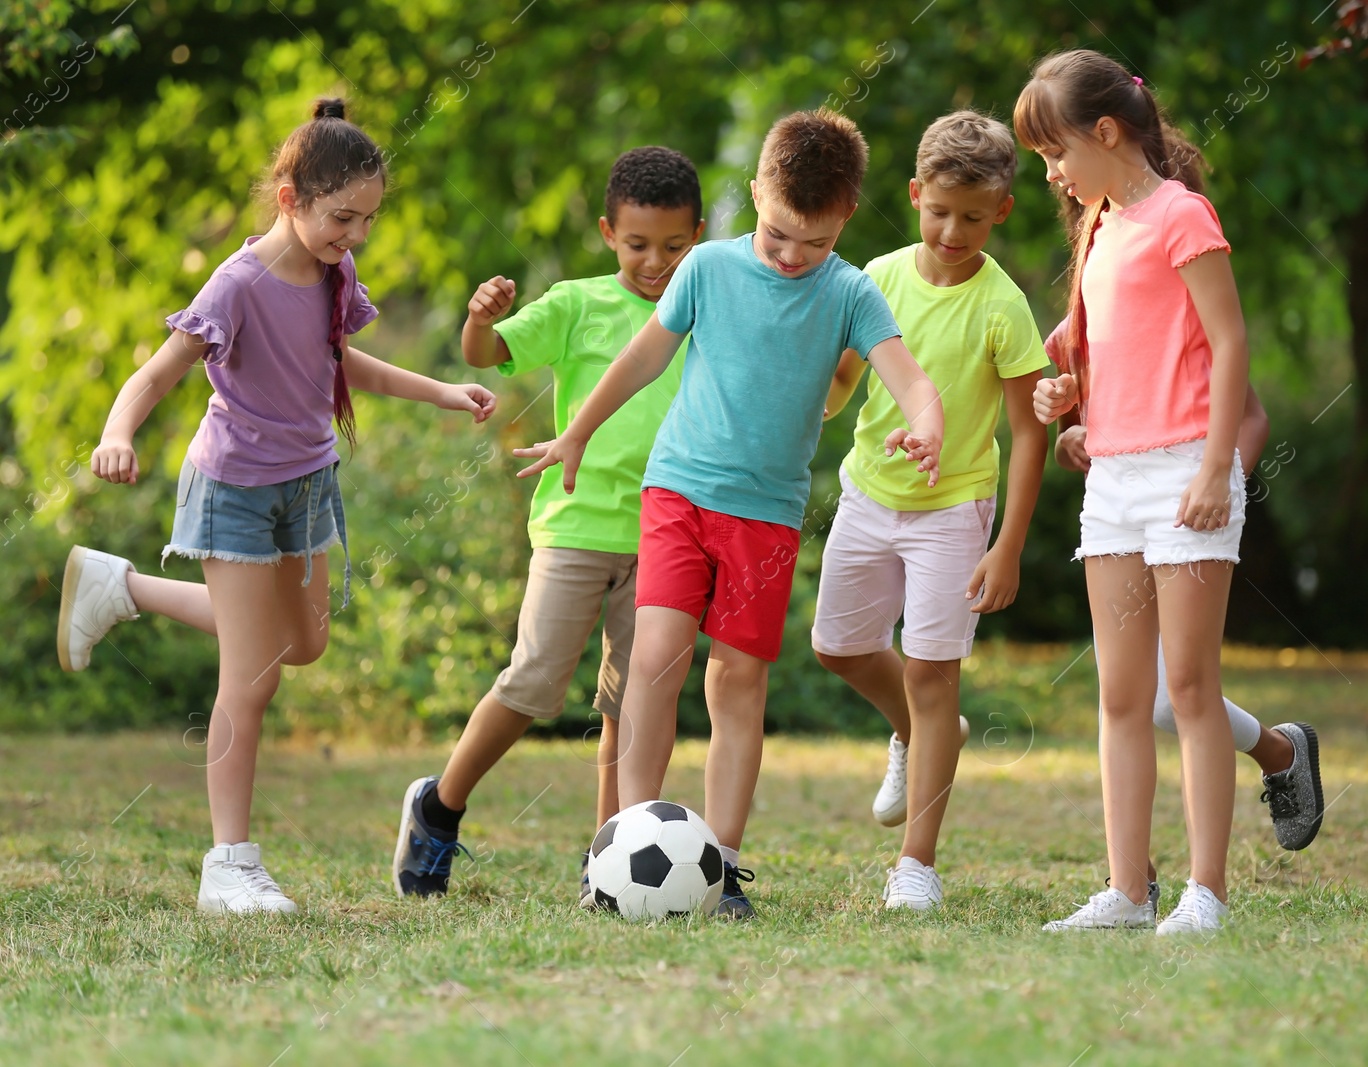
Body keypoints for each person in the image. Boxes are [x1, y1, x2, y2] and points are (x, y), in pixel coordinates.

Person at [57, 98, 495, 915]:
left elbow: (343, 364)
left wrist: (441, 391)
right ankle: (228, 864)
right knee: (251, 679)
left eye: (367, 218)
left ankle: (123, 589)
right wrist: (117, 433)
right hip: (235, 489)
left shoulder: (335, 271)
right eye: (342, 217)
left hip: (307, 482)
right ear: (290, 196)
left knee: (305, 642)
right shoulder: (239, 283)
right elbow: (156, 374)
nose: (356, 234)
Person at [517, 109, 944, 919]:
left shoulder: (850, 290)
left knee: (738, 679)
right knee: (657, 657)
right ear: (755, 195)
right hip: (678, 491)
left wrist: (926, 420)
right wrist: (577, 429)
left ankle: (725, 862)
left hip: (768, 518)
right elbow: (644, 354)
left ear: (846, 215)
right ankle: (620, 846)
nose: (791, 257)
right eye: (778, 234)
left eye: (812, 243)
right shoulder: (707, 268)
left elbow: (910, 377)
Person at [1016, 50, 1316, 934]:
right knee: (1119, 695)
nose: (1051, 171)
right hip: (1113, 479)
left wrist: (1214, 468)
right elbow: (1094, 359)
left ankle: (1206, 893)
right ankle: (1127, 889)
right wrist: (1065, 405)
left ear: (1106, 134)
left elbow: (1228, 346)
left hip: (1188, 470)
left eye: (1055, 151)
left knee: (1187, 686)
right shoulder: (1098, 230)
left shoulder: (1183, 217)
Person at [391, 147, 705, 905]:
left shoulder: (704, 309)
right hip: (574, 525)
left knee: (633, 704)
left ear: (697, 236)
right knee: (533, 683)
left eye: (672, 246)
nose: (655, 262)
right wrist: (477, 319)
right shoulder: (577, 303)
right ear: (607, 232)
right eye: (637, 245)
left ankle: (611, 859)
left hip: (665, 533)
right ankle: (439, 808)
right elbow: (487, 354)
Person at [814, 111, 1049, 910]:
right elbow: (846, 377)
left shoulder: (1003, 305)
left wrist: (1008, 544)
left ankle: (915, 865)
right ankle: (915, 733)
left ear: (1001, 212)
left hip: (954, 511)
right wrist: (817, 401)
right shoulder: (875, 277)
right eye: (940, 211)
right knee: (838, 647)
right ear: (915, 195)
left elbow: (1027, 431)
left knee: (933, 673)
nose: (954, 230)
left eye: (974, 217)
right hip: (868, 493)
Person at [1050, 334, 1324, 914]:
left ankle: (1177, 876)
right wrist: (1069, 438)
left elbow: (1251, 417)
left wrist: (1220, 490)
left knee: (1180, 692)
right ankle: (1275, 754)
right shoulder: (1076, 326)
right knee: (1136, 701)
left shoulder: (1182, 305)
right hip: (1118, 523)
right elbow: (1073, 438)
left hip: (1191, 513)